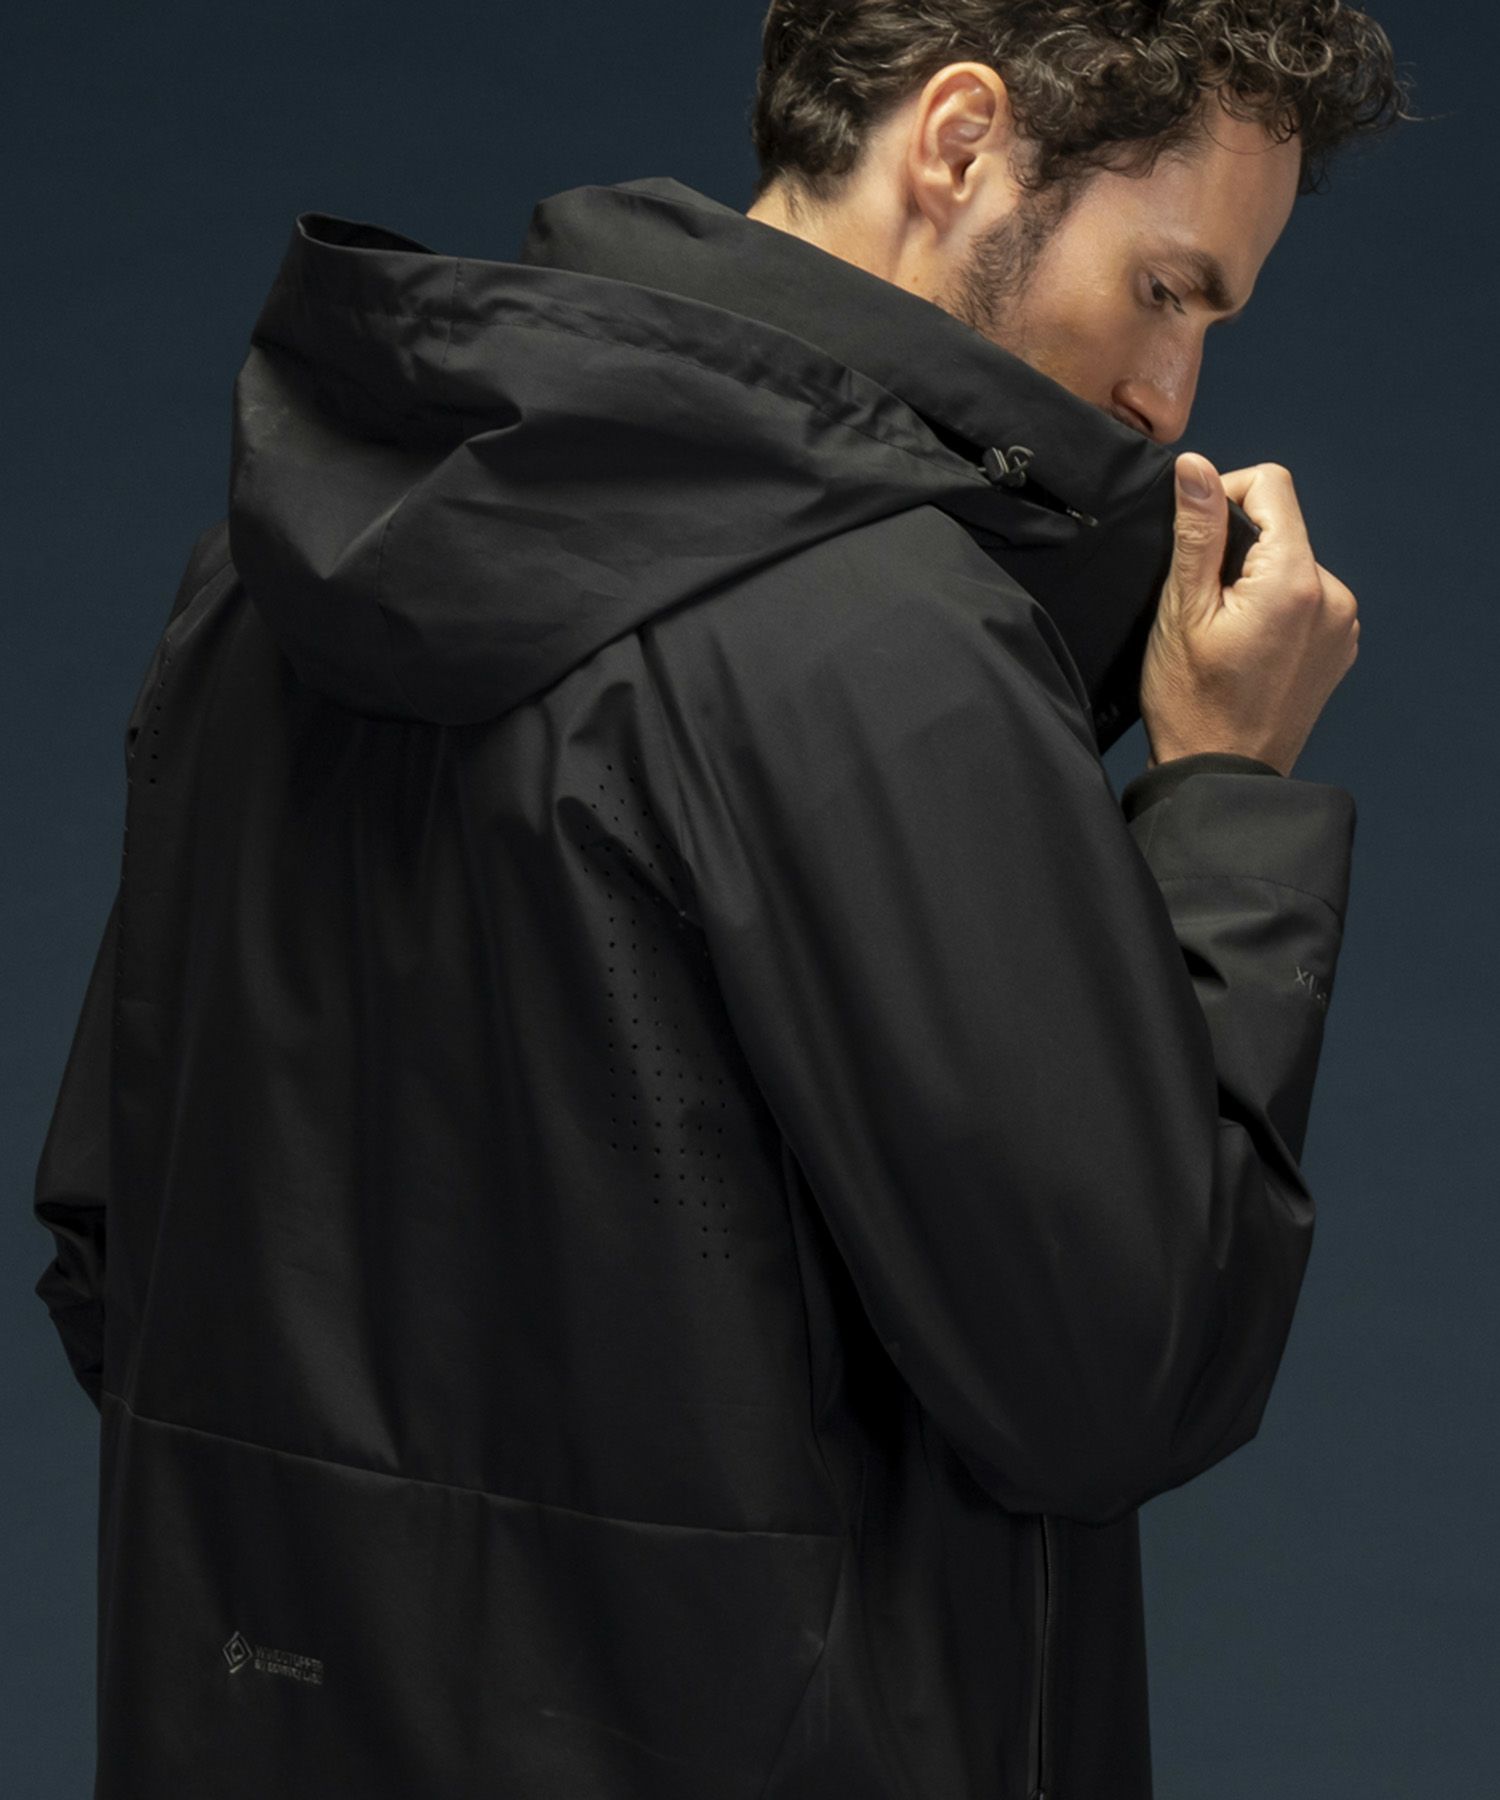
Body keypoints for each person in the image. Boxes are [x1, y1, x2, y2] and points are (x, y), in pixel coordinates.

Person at [33, 3, 1411, 1795]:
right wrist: (1224, 793)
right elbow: (1117, 1377)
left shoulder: (258, 582)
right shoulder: (886, 653)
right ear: (958, 143)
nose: (1171, 396)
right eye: (1167, 289)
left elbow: (117, 1258)